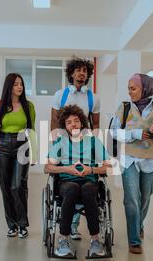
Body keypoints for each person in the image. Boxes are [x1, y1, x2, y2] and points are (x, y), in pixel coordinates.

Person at [110, 73, 153, 254]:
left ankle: (139, 224)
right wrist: (133, 134)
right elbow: (113, 132)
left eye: (133, 88)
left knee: (145, 197)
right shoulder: (124, 108)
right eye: (129, 88)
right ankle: (134, 239)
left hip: (150, 160)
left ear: (145, 88)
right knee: (131, 199)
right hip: (129, 159)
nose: (130, 92)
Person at [45, 105, 111, 258]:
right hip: (67, 182)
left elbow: (108, 167)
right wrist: (67, 169)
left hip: (89, 181)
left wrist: (91, 170)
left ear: (82, 123)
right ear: (64, 126)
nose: (73, 124)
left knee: (88, 190)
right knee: (72, 188)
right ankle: (63, 239)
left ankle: (95, 240)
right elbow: (47, 168)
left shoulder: (93, 142)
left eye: (76, 121)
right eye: (69, 122)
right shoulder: (60, 143)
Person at [50, 57, 101, 241]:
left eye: (85, 71)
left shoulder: (93, 97)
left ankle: (73, 226)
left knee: (84, 181)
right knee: (70, 182)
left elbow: (95, 123)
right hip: (64, 140)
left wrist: (95, 146)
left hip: (85, 141)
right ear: (71, 73)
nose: (82, 73)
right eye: (78, 70)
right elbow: (55, 122)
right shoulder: (60, 94)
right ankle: (68, 227)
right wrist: (55, 146)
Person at [0, 73, 36, 239]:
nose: (19, 87)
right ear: (9, 86)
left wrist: (35, 152)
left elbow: (32, 129)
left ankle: (22, 224)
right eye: (16, 84)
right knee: (6, 187)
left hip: (22, 145)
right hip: (2, 145)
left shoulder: (28, 106)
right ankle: (12, 225)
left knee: (18, 185)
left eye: (21, 84)